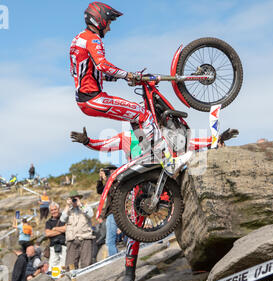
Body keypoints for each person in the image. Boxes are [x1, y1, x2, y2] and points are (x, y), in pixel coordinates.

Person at [71, 126, 239, 281]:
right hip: (139, 190)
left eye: (144, 118)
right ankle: (129, 274)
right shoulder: (127, 137)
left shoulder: (161, 134)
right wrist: (87, 141)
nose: (142, 122)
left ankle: (201, 260)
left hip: (165, 187)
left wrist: (216, 139)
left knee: (187, 217)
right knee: (134, 232)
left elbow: (188, 143)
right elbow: (105, 145)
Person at [70, 2, 191, 176]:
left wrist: (121, 77)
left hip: (86, 99)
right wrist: (127, 75)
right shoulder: (92, 39)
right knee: (144, 114)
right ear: (100, 20)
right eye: (109, 22)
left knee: (135, 117)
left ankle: (149, 153)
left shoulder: (78, 39)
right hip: (93, 98)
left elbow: (88, 71)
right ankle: (168, 161)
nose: (110, 28)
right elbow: (102, 65)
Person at [60, 190, 95, 270]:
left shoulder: (85, 206)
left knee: (86, 264)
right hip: (72, 239)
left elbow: (90, 214)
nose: (74, 200)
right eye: (72, 199)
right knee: (70, 266)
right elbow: (62, 219)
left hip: (85, 238)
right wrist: (67, 206)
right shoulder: (68, 210)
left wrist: (80, 205)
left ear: (79, 198)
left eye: (75, 198)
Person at [96, 165, 120, 257]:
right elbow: (100, 191)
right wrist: (100, 180)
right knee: (110, 240)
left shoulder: (117, 182)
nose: (108, 174)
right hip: (112, 213)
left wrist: (108, 179)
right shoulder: (109, 183)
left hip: (115, 212)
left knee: (110, 241)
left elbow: (112, 191)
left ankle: (114, 260)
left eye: (108, 172)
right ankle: (115, 257)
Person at [45, 202, 67, 272]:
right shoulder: (48, 222)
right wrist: (61, 230)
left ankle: (62, 279)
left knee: (63, 265)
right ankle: (55, 280)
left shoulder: (64, 218)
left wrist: (54, 229)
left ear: (59, 209)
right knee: (53, 266)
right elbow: (48, 234)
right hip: (53, 247)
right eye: (52, 210)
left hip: (64, 245)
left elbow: (66, 228)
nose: (54, 211)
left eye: (55, 209)